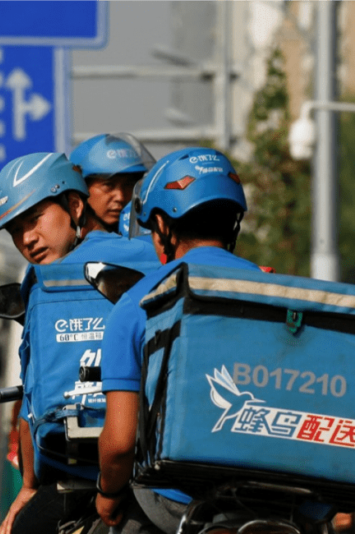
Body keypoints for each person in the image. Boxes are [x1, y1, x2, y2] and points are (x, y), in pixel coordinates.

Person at [0, 152, 160, 534]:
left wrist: (29, 487)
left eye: (34, 220)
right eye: (16, 230)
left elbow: (34, 404)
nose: (27, 239)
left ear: (75, 206)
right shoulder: (155, 256)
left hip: (83, 477)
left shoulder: (43, 283)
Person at [95, 147, 262, 534]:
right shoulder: (275, 290)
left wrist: (106, 492)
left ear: (161, 225)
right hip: (270, 497)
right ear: (232, 224)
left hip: (179, 502)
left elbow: (120, 444)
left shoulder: (139, 302)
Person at [69, 133, 155, 234]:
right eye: (108, 185)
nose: (120, 197)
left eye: (129, 185)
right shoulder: (63, 245)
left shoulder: (148, 239)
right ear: (81, 188)